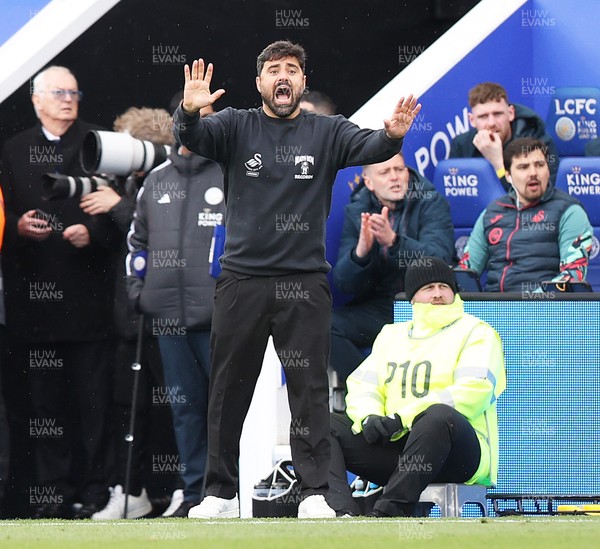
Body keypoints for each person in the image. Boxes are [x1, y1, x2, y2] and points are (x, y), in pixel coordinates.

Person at [172, 40, 421, 519]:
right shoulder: (234, 125)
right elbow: (194, 138)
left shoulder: (326, 131)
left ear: (303, 83)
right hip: (242, 280)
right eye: (273, 70)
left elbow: (369, 144)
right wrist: (188, 110)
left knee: (308, 391)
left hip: (305, 283)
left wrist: (391, 137)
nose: (282, 77)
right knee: (227, 390)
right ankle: (220, 494)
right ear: (260, 82)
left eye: (292, 69)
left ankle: (313, 494)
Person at [0, 65, 119, 518]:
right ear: (36, 100)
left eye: (74, 91)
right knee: (45, 405)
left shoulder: (101, 145)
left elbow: (127, 212)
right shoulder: (13, 151)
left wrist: (95, 233)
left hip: (92, 300)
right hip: (34, 303)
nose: (68, 99)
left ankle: (95, 491)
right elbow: (1, 216)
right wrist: (16, 228)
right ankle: (52, 492)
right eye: (58, 92)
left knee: (95, 404)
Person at [326, 257, 506, 517]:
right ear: (412, 298)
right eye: (428, 288)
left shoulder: (477, 332)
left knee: (438, 416)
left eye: (444, 287)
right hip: (399, 451)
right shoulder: (391, 334)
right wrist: (369, 418)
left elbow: (474, 391)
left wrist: (403, 419)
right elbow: (362, 384)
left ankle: (389, 512)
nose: (437, 294)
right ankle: (340, 512)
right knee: (323, 424)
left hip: (457, 454)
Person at [79, 107, 180, 519]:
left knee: (179, 407)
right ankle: (130, 489)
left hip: (171, 317)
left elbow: (162, 230)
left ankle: (186, 488)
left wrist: (120, 204)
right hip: (130, 316)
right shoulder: (129, 183)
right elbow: (121, 241)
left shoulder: (171, 181)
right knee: (129, 408)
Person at [125, 131, 225, 518]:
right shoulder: (156, 179)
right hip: (168, 318)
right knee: (185, 408)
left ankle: (222, 490)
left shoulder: (227, 173)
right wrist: (139, 291)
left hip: (219, 316)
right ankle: (192, 491)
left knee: (223, 406)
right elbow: (137, 243)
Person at [330, 151, 454, 382]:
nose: (394, 177)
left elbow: (440, 259)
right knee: (324, 326)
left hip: (427, 305)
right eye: (385, 172)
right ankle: (367, 388)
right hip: (383, 308)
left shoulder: (430, 201)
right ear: (369, 182)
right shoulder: (358, 210)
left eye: (399, 169)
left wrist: (394, 242)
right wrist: (360, 254)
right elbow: (343, 284)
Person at [459, 137, 593, 292]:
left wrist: (525, 305)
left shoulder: (570, 212)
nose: (533, 173)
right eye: (523, 167)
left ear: (548, 170)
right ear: (508, 176)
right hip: (493, 308)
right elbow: (466, 272)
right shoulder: (491, 213)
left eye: (540, 165)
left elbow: (572, 277)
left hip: (546, 310)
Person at [449, 82, 559, 190]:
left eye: (497, 114)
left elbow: (535, 197)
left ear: (511, 113)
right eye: (483, 117)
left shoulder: (538, 142)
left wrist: (497, 163)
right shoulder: (461, 145)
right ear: (472, 120)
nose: (491, 123)